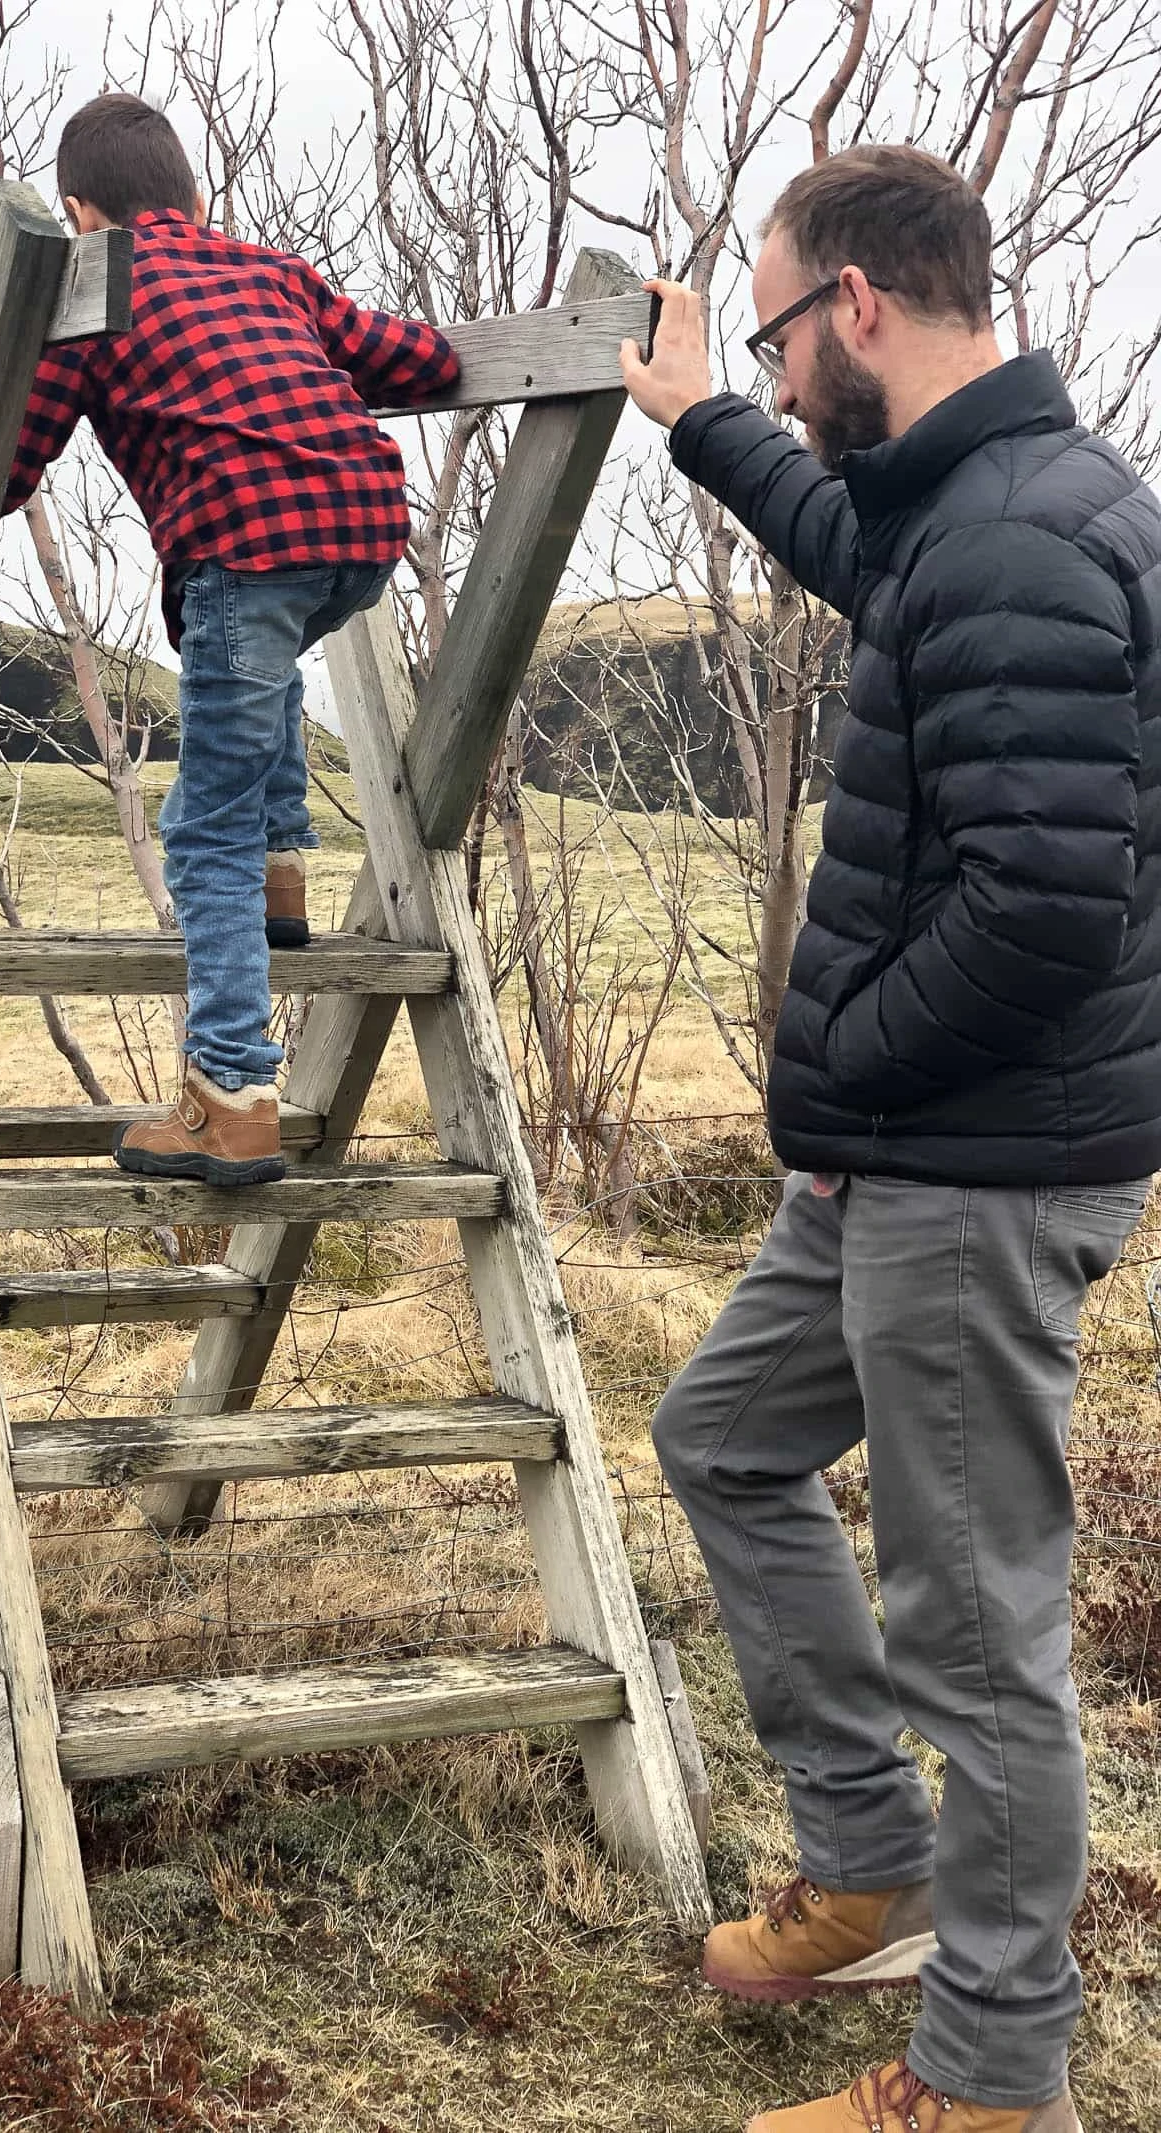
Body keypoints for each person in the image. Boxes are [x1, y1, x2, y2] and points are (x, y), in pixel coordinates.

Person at [619, 143, 1161, 2133]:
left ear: (851, 303)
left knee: (977, 1630)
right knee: (726, 1438)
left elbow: (1033, 908)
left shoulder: (1017, 537)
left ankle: (988, 2073)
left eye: (769, 334)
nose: (771, 377)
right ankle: (869, 1867)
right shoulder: (973, 507)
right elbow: (856, 545)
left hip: (969, 1168)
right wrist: (694, 430)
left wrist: (840, 1063)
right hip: (914, 1147)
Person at [0, 93, 459, 1185]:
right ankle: (280, 875)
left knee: (201, 831)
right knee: (269, 668)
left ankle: (231, 1098)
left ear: (77, 213)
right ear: (196, 199)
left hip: (242, 550)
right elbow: (423, 364)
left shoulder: (87, 291)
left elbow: (5, 465)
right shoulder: (270, 271)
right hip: (365, 535)